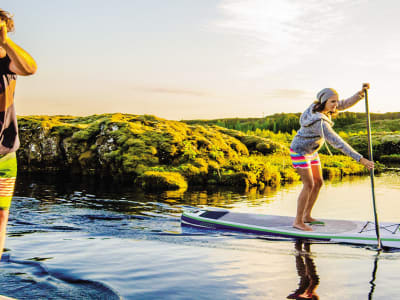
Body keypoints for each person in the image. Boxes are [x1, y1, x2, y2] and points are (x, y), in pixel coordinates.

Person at [290, 84, 374, 231]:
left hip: (312, 151)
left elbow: (344, 104)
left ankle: (306, 215)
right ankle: (298, 221)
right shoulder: (320, 122)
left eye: (336, 101)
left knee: (319, 182)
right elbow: (338, 143)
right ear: (324, 102)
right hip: (300, 151)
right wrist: (361, 159)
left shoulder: (322, 107)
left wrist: (360, 94)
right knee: (309, 184)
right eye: (332, 102)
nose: (336, 105)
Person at [0, 9, 37, 260]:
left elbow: (30, 68)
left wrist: (5, 42)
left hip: (5, 153)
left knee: (1, 215)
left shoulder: (8, 61)